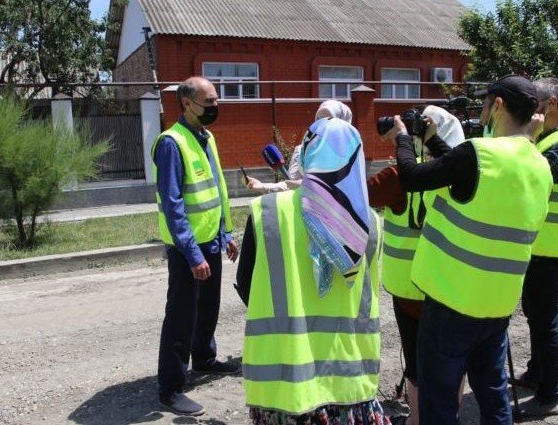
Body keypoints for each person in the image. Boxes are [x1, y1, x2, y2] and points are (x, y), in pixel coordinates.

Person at [381, 75, 553, 425]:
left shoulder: (478, 153)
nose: (485, 112)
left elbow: (413, 176)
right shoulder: (539, 163)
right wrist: (433, 140)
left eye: (487, 105)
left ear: (499, 105)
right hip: (498, 304)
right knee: (493, 396)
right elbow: (462, 172)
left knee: (439, 402)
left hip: (452, 302)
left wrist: (402, 136)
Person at [235, 117, 390, 425]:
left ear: (305, 155)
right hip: (349, 380)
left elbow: (246, 285)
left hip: (285, 380)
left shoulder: (268, 211)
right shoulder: (371, 222)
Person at [367, 105, 465, 425]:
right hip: (453, 287)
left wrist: (401, 142)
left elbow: (363, 193)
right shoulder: (468, 179)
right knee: (453, 358)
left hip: (410, 289)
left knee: (417, 361)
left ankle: (418, 419)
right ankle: (451, 413)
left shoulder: (401, 176)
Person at [152, 76, 240, 416]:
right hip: (187, 248)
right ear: (187, 103)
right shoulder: (171, 143)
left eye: (217, 101)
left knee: (208, 308)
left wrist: (226, 233)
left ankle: (204, 358)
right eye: (209, 102)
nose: (215, 108)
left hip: (210, 241)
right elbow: (173, 204)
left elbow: (216, 190)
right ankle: (170, 389)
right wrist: (191, 253)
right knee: (181, 317)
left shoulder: (206, 136)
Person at [514, 77, 558, 417]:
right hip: (540, 249)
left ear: (551, 104)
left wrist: (524, 140)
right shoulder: (550, 139)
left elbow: (533, 177)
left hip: (552, 251)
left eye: (535, 103)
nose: (531, 110)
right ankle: (536, 372)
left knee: (544, 321)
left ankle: (548, 395)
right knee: (535, 313)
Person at [246, 100, 353, 193]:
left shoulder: (353, 153)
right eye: (319, 118)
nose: (323, 124)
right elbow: (291, 187)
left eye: (330, 119)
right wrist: (262, 186)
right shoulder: (302, 150)